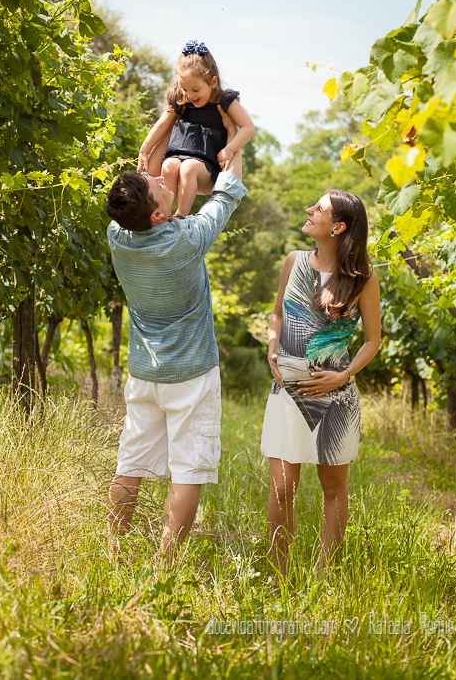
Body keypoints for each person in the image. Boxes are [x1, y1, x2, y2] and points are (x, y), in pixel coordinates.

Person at [104, 144, 246, 562]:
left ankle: (113, 552)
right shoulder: (188, 239)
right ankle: (166, 563)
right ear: (157, 215)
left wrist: (169, 115)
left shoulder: (118, 236)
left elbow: (139, 184)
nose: (160, 178)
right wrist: (235, 141)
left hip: (145, 372)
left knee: (130, 463)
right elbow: (228, 192)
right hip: (192, 374)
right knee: (188, 469)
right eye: (156, 186)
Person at [261, 189, 381, 576]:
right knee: (281, 488)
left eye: (320, 209)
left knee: (332, 486)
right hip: (287, 391)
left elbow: (373, 340)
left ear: (339, 226)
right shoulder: (293, 261)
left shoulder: (362, 280)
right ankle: (280, 574)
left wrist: (344, 376)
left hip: (336, 397)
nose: (309, 210)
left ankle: (323, 574)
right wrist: (272, 345)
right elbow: (277, 314)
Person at [137, 40, 254, 217]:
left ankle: (180, 215)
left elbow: (248, 127)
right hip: (177, 155)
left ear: (213, 82)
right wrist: (144, 150)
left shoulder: (225, 101)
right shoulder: (181, 99)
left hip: (207, 168)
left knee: (188, 167)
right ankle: (164, 214)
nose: (190, 95)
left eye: (195, 89)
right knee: (168, 165)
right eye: (184, 88)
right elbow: (161, 126)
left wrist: (229, 149)